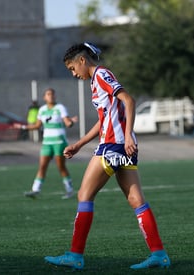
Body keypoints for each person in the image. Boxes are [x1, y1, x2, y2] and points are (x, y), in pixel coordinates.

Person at [44, 42, 171, 270]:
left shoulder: (101, 74)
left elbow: (129, 100)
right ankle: (159, 254)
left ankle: (75, 255)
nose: (74, 74)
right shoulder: (97, 81)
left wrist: (129, 136)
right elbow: (104, 119)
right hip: (121, 146)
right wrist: (80, 144)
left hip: (113, 146)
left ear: (82, 60)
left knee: (84, 194)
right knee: (136, 200)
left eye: (73, 69)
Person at [24, 88, 78, 199]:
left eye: (53, 94)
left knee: (61, 167)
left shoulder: (60, 108)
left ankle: (69, 190)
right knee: (42, 166)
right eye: (48, 94)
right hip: (47, 143)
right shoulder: (42, 110)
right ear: (44, 97)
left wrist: (70, 122)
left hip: (59, 142)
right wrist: (23, 127)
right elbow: (37, 125)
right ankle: (35, 190)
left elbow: (67, 122)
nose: (51, 96)